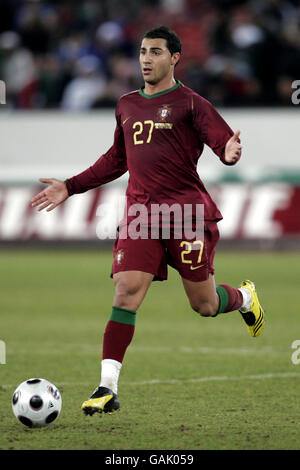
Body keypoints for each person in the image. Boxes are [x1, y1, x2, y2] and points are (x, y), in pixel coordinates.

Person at [31, 26, 265, 416]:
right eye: (142, 51)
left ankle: (243, 297)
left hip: (187, 214)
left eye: (155, 52)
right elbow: (116, 159)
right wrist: (70, 187)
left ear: (174, 58)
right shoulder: (125, 104)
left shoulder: (191, 103)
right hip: (141, 215)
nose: (145, 59)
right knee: (126, 292)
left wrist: (230, 151)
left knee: (204, 305)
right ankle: (106, 388)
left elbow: (222, 142)